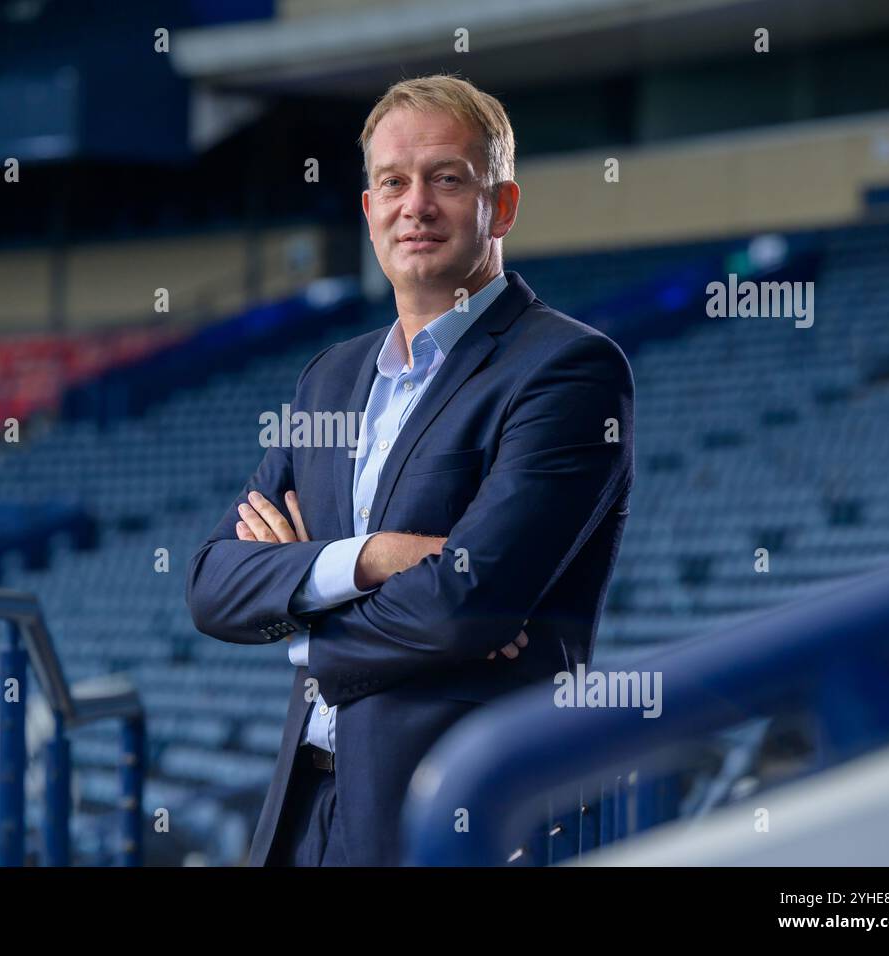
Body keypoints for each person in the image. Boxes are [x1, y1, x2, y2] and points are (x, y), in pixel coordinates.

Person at [187, 74, 634, 866]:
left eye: (447, 179)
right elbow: (215, 585)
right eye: (392, 181)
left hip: (457, 820)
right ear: (367, 211)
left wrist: (304, 614)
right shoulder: (330, 377)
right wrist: (374, 559)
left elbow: (468, 605)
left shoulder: (568, 370)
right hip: (301, 817)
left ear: (502, 205)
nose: (415, 205)